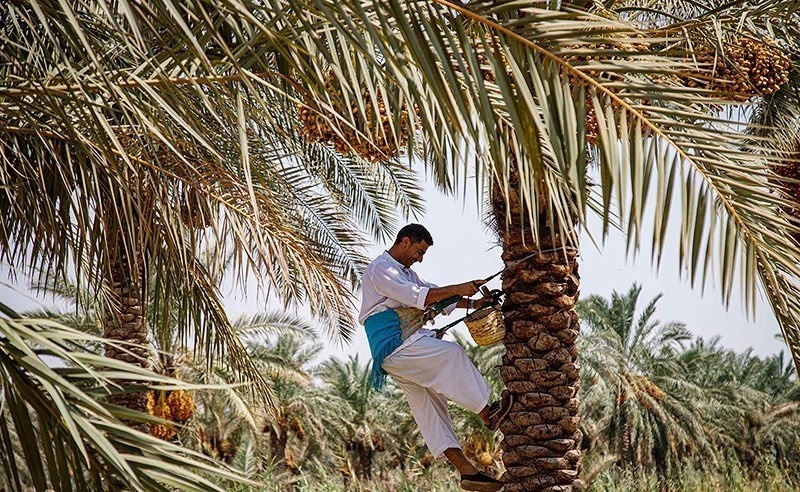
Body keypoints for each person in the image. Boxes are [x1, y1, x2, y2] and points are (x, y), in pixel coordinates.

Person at [359, 224, 513, 492]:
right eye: (419, 251)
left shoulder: (406, 273)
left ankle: (466, 471)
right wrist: (461, 288)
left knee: (431, 408)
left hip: (399, 350)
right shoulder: (381, 269)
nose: (420, 258)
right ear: (405, 242)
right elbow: (422, 298)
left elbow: (438, 296)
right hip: (395, 346)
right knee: (452, 355)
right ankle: (488, 413)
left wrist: (474, 302)